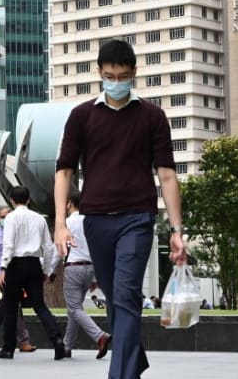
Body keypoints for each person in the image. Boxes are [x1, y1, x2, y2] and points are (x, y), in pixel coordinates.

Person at [54, 39, 187, 379]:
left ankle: (121, 375)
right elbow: (65, 170)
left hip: (137, 219)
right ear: (99, 72)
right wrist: (59, 223)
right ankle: (135, 359)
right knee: (116, 300)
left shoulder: (152, 116)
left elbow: (168, 175)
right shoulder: (82, 116)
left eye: (123, 75)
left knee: (126, 295)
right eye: (110, 75)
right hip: (96, 221)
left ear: (134, 73)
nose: (116, 81)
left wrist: (177, 230)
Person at [0, 186, 64, 361]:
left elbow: (8, 245)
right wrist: (47, 270)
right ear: (29, 199)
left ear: (11, 200)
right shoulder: (39, 219)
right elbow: (48, 247)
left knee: (10, 307)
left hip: (16, 264)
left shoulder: (11, 218)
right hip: (34, 264)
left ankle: (8, 348)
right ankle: (57, 340)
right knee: (39, 305)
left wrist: (3, 268)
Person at [0, 207, 37, 353]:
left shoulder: (19, 234)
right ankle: (24, 341)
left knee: (6, 307)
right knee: (15, 305)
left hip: (17, 274)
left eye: (8, 216)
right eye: (3, 216)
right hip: (3, 276)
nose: (6, 218)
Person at [62, 193, 110, 359]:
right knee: (74, 310)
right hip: (90, 268)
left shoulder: (67, 223)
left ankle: (100, 336)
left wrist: (49, 271)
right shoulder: (91, 222)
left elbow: (59, 247)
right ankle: (66, 346)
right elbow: (98, 248)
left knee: (74, 309)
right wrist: (96, 277)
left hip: (73, 267)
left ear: (69, 204)